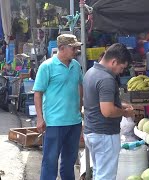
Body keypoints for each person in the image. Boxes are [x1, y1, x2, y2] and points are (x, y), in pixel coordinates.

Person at [33, 34, 83, 180]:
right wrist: (40, 118)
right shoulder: (47, 66)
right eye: (73, 48)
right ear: (61, 48)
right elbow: (38, 93)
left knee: (69, 161)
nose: (76, 50)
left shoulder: (76, 66)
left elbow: (80, 86)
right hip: (54, 123)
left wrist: (79, 109)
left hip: (74, 122)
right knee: (50, 161)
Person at [83, 43, 135, 180]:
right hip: (104, 134)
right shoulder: (106, 79)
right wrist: (125, 113)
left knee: (98, 173)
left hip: (92, 132)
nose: (121, 72)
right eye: (121, 67)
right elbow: (108, 111)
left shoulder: (90, 72)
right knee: (105, 176)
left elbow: (98, 102)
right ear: (114, 62)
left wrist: (120, 105)